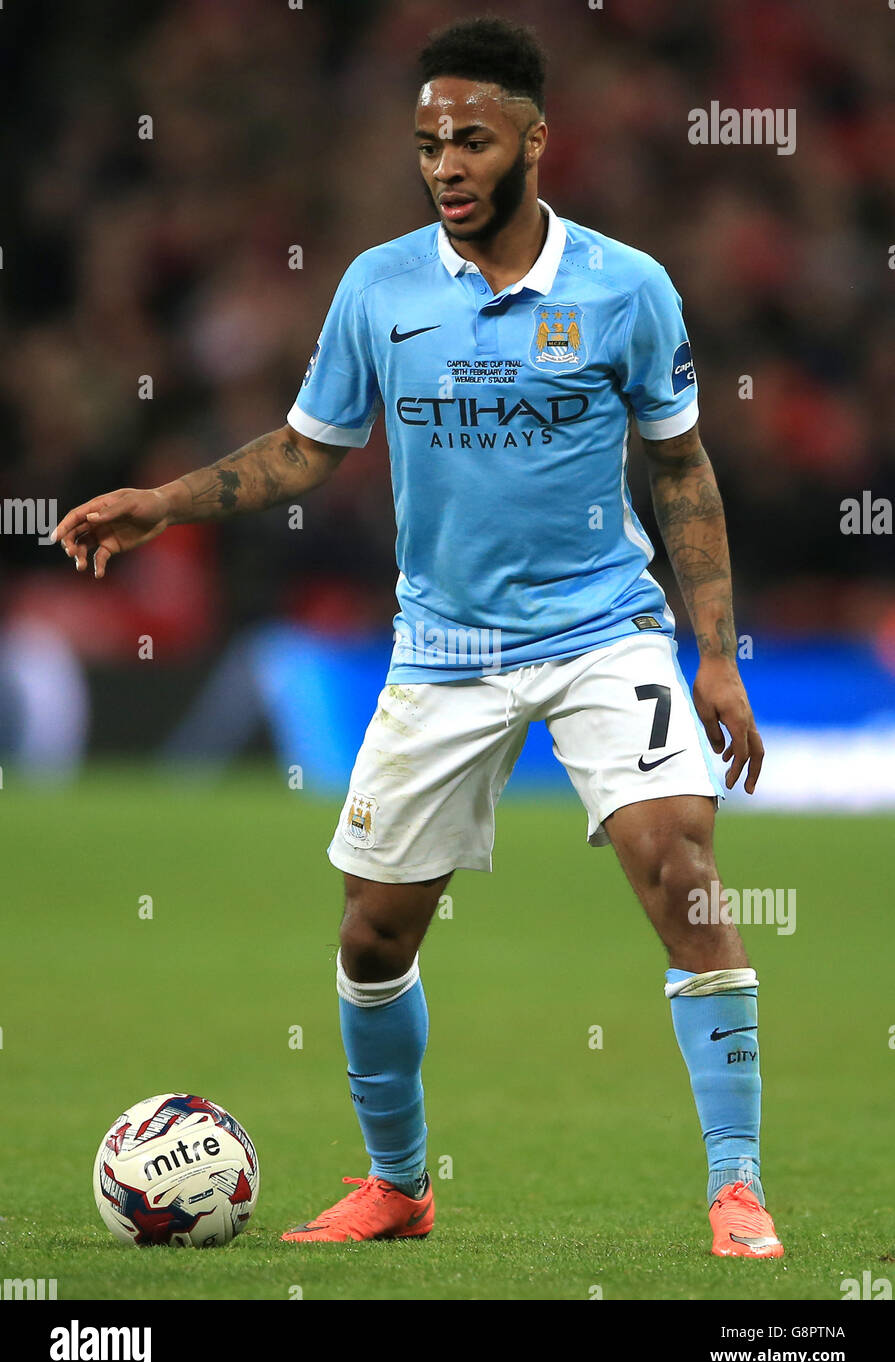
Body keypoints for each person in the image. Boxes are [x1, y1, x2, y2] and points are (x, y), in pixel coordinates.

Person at [54, 17, 781, 1258]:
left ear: (535, 141)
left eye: (472, 139)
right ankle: (398, 1185)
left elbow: (682, 467)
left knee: (684, 870)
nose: (445, 163)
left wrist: (713, 651)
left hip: (605, 628)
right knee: (373, 933)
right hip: (442, 646)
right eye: (428, 142)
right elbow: (302, 450)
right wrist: (160, 501)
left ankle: (735, 1185)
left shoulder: (626, 288)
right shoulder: (379, 289)